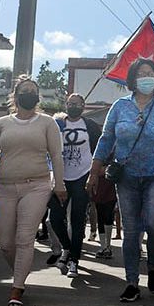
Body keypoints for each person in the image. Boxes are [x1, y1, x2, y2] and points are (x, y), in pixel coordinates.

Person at [88, 58, 154, 303]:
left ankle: (153, 265)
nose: (147, 77)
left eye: (151, 73)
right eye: (142, 73)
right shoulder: (119, 107)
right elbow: (106, 138)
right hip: (127, 177)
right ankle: (132, 282)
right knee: (131, 231)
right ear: (133, 79)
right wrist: (94, 170)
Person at [0, 76, 66, 306]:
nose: (29, 93)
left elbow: (56, 155)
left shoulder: (47, 123)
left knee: (25, 238)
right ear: (15, 96)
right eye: (24, 90)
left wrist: (59, 184)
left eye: (32, 90)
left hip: (36, 186)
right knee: (6, 243)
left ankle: (17, 287)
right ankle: (19, 271)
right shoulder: (2, 123)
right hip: (4, 186)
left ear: (38, 96)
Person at [48, 94, 101, 279]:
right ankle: (67, 247)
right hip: (62, 177)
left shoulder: (90, 126)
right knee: (54, 218)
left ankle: (74, 261)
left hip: (82, 177)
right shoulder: (58, 124)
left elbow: (101, 148)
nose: (73, 107)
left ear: (83, 106)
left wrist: (96, 173)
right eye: (70, 104)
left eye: (77, 104)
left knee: (78, 221)